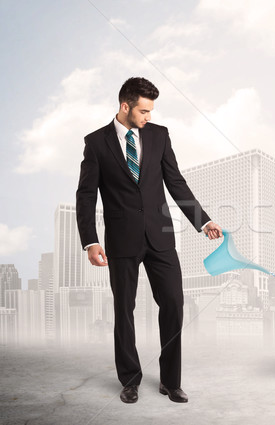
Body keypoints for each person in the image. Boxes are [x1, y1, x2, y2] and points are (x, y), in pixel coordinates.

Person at [76, 77, 222, 404]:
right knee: (123, 309)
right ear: (125, 106)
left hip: (160, 237)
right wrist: (90, 241)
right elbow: (86, 196)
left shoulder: (159, 135)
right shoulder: (96, 143)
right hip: (121, 240)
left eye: (151, 111)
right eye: (143, 110)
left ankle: (171, 381)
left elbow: (175, 181)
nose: (148, 117)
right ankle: (129, 379)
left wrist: (204, 220)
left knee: (173, 303)